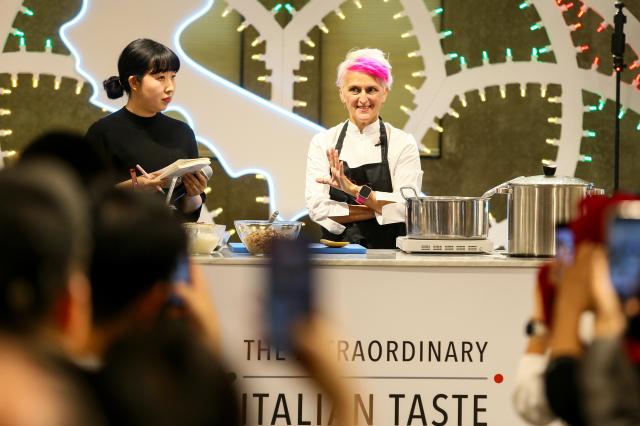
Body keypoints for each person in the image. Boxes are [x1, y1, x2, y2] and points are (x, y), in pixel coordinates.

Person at [305, 48, 423, 248]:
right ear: (342, 93)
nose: (363, 99)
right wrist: (379, 208)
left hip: (391, 258)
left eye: (371, 90)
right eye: (354, 90)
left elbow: (407, 208)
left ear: (384, 94)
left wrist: (354, 190)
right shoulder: (323, 142)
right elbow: (318, 209)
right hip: (338, 257)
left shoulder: (403, 143)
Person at [85, 38, 207, 222]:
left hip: (168, 243)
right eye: (160, 78)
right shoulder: (103, 132)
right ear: (134, 82)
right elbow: (84, 199)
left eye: (173, 76)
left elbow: (188, 214)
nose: (170, 87)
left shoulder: (182, 132)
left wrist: (194, 193)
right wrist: (134, 186)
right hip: (119, 244)